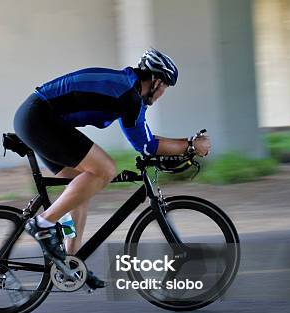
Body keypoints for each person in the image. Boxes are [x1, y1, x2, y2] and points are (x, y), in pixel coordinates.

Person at [13, 48, 210, 289]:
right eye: (164, 88)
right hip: (39, 119)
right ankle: (42, 224)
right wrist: (190, 145)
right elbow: (148, 146)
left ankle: (69, 263)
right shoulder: (129, 95)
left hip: (39, 119)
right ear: (156, 81)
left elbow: (142, 141)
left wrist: (183, 147)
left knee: (80, 190)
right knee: (105, 169)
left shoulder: (128, 92)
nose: (162, 94)